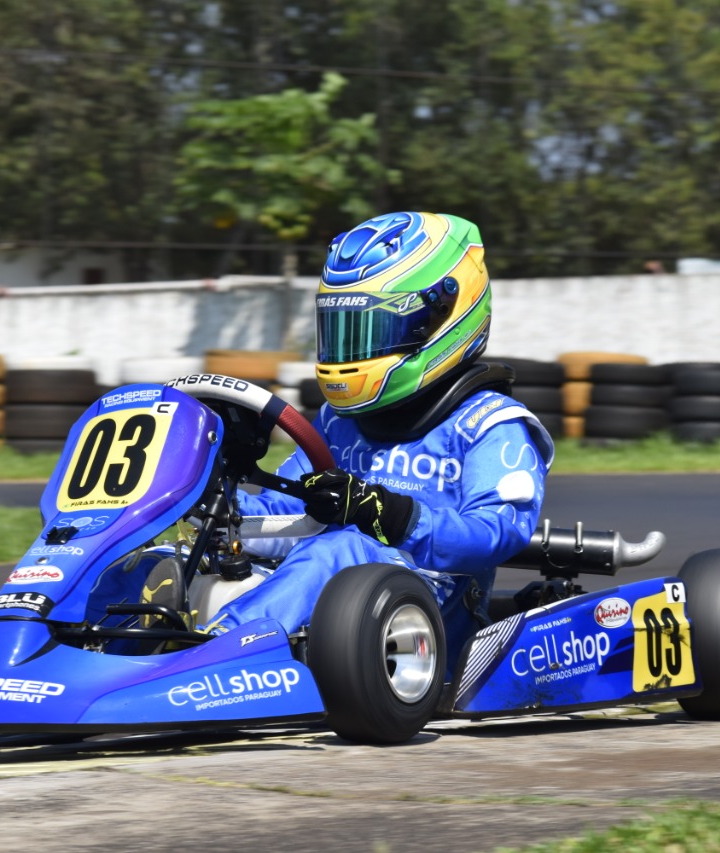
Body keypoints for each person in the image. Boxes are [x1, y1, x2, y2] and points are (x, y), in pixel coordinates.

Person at [200, 211, 554, 638]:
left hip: (429, 616)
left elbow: (497, 533)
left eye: (374, 329)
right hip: (335, 612)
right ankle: (139, 641)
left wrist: (394, 516)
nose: (353, 349)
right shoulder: (339, 421)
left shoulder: (491, 423)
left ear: (442, 314)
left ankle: (218, 647)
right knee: (177, 555)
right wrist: (212, 502)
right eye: (344, 330)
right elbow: (284, 518)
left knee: (339, 548)